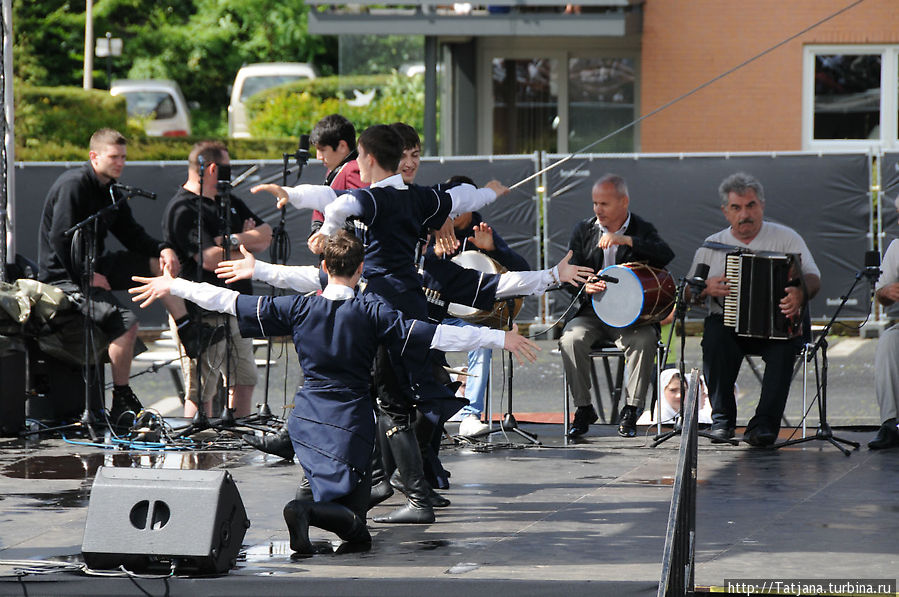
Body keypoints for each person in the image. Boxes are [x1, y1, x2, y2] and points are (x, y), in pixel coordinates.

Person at [129, 230, 540, 554]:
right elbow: (434, 335)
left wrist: (176, 285)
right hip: (350, 421)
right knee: (357, 530)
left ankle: (304, 514)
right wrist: (496, 338)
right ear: (361, 269)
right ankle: (304, 512)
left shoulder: (300, 308)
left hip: (306, 418)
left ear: (325, 266)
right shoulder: (373, 311)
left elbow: (228, 301)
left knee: (313, 478)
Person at [251, 124, 510, 524]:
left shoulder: (375, 198)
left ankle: (409, 496)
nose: (354, 162)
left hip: (382, 306)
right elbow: (463, 196)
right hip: (397, 302)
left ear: (367, 159)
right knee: (371, 392)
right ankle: (366, 478)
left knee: (388, 402)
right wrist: (492, 191)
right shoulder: (422, 197)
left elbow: (337, 205)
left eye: (357, 156)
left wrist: (325, 229)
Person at [37, 128, 215, 423]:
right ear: (94, 156)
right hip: (65, 274)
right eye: (114, 157)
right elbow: (60, 239)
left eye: (123, 157)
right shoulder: (74, 185)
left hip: (96, 265)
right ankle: (121, 396)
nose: (120, 163)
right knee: (126, 324)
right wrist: (85, 275)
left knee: (158, 264)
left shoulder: (112, 190)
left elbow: (132, 234)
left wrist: (163, 248)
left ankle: (187, 328)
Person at [689, 172, 820, 447]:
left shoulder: (786, 239)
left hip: (775, 325)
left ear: (761, 205)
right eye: (736, 207)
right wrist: (705, 289)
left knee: (785, 348)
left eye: (750, 206)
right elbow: (690, 293)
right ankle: (722, 422)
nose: (744, 214)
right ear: (726, 212)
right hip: (729, 327)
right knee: (714, 339)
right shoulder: (711, 246)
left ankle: (764, 426)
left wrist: (800, 292)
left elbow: (813, 277)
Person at [161, 141, 272, 417]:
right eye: (226, 168)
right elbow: (208, 258)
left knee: (244, 379)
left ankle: (238, 440)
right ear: (212, 168)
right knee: (201, 392)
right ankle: (198, 451)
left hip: (237, 305)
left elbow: (266, 234)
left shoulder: (229, 201)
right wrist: (245, 248)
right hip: (202, 312)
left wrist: (231, 240)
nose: (230, 174)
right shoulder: (182, 209)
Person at [560, 174, 674, 439]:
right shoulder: (583, 230)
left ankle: (631, 409)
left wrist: (627, 241)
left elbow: (666, 255)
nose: (597, 210)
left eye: (604, 204)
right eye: (595, 203)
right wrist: (583, 287)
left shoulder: (641, 228)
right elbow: (567, 274)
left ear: (624, 202)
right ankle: (583, 408)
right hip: (592, 312)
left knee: (645, 340)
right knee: (570, 339)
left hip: (632, 318)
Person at [429, 176, 531, 437]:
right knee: (419, 345)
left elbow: (522, 270)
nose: (455, 213)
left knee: (483, 342)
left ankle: (470, 413)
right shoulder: (431, 225)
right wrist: (434, 255)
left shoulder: (480, 229)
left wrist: (494, 248)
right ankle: (433, 410)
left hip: (467, 316)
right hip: (431, 311)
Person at [307, 114, 363, 253]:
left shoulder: (352, 169)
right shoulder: (335, 169)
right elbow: (320, 210)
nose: (318, 157)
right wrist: (317, 233)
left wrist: (327, 236)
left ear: (342, 146)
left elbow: (359, 218)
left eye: (322, 149)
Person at [869, 196, 899, 450]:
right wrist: (886, 292)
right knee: (889, 340)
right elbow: (880, 295)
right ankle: (890, 423)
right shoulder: (897, 248)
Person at [636, 369, 713, 426]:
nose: (679, 395)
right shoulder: (648, 420)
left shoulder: (700, 419)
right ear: (662, 391)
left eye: (683, 390)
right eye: (673, 390)